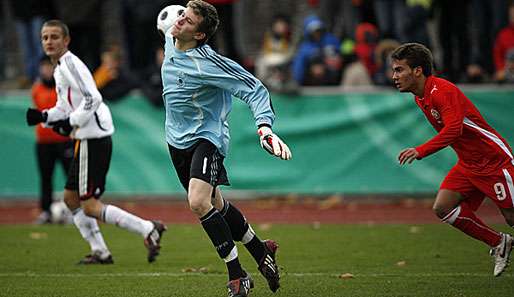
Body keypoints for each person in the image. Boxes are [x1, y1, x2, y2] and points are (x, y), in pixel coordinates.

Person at [162, 1, 292, 296]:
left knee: (197, 202)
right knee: (216, 205)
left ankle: (238, 275)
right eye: (183, 14)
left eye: (189, 21)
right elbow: (169, 22)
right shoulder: (172, 37)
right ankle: (261, 252)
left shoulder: (207, 63)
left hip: (207, 137)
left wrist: (265, 127)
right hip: (175, 139)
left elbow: (254, 88)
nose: (181, 20)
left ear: (199, 36)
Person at [25, 19, 166, 264]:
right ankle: (101, 251)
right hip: (86, 137)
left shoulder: (70, 64)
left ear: (66, 40)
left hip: (93, 137)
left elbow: (93, 98)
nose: (49, 41)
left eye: (54, 37)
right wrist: (45, 116)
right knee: (70, 199)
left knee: (89, 205)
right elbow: (64, 106)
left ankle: (147, 227)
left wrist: (71, 121)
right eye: (45, 37)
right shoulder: (60, 68)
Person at [391, 43, 514, 277]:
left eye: (399, 70)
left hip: (493, 161)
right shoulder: (421, 97)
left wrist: (421, 150)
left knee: (511, 217)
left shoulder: (441, 91)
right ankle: (499, 242)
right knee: (443, 207)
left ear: (418, 71)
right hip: (469, 164)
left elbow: (454, 130)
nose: (394, 76)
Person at [31, 55, 73, 224]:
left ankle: (74, 210)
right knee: (46, 177)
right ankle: (45, 211)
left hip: (63, 140)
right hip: (43, 142)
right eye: (44, 67)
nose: (46, 70)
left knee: (70, 177)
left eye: (49, 66)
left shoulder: (63, 88)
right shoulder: (36, 90)